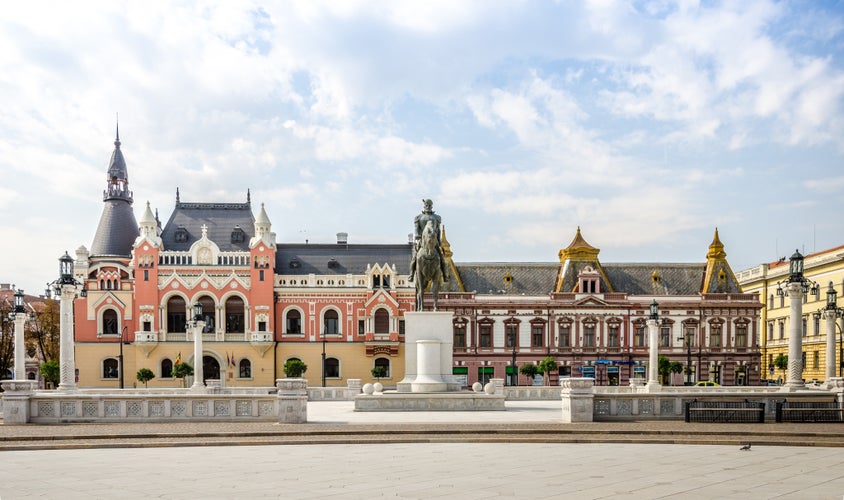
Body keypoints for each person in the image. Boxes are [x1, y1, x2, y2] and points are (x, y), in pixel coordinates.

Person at [408, 199, 448, 282]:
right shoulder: (418, 217)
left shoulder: (437, 217)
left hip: (434, 241)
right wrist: (418, 238)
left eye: (429, 205)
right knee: (415, 257)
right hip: (422, 241)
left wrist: (439, 241)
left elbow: (438, 230)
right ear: (424, 205)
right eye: (427, 205)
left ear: (431, 206)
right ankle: (411, 274)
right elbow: (416, 230)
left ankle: (444, 275)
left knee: (441, 257)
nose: (428, 206)